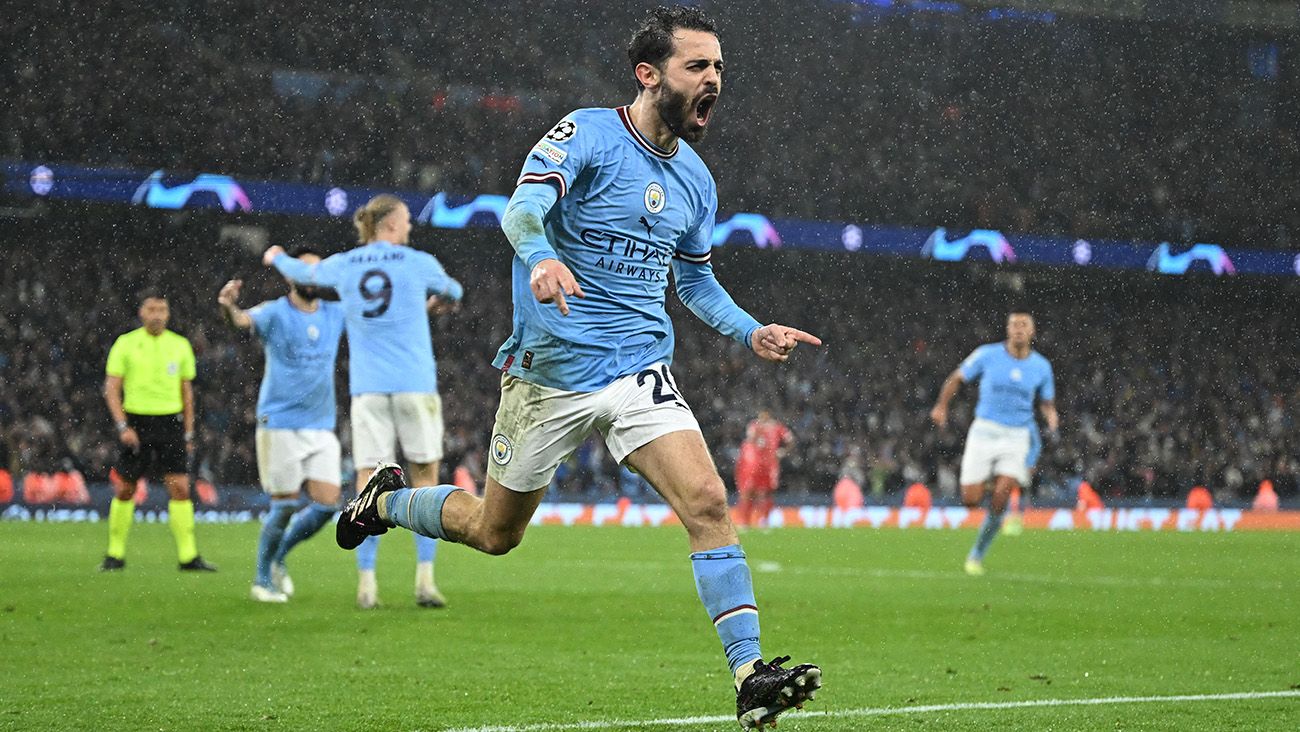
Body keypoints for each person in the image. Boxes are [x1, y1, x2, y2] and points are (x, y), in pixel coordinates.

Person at [334, 8, 822, 728]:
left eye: (719, 67)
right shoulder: (587, 133)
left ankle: (749, 675)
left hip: (638, 370)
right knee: (495, 533)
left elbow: (692, 281)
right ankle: (384, 500)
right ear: (649, 75)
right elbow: (520, 211)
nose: (714, 78)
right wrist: (542, 260)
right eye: (698, 66)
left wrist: (751, 332)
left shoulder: (696, 181)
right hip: (549, 373)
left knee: (708, 504)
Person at [262, 193, 463, 609]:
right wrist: (441, 301)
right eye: (405, 221)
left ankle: (367, 586)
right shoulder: (418, 262)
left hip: (368, 389)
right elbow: (454, 290)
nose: (409, 228)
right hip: (414, 385)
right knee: (425, 478)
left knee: (367, 485)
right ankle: (425, 581)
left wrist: (276, 256)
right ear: (389, 224)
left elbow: (302, 271)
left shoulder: (344, 263)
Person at [217, 248, 346, 603]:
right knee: (285, 505)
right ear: (290, 277)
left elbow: (376, 321)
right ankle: (261, 580)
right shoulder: (275, 312)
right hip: (281, 422)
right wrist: (228, 307)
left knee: (326, 505)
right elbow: (242, 321)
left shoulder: (335, 313)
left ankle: (278, 555)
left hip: (321, 425)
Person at [930, 311, 1058, 576]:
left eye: (1024, 325)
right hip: (984, 432)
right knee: (970, 500)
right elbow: (957, 377)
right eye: (1013, 325)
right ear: (1007, 330)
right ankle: (992, 482)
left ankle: (976, 554)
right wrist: (942, 406)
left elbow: (1046, 401)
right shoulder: (987, 354)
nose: (1018, 329)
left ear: (1033, 332)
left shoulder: (1042, 367)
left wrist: (1051, 415)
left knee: (1002, 495)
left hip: (1017, 435)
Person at [100, 289, 216, 572]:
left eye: (162, 310)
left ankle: (188, 556)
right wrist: (123, 426)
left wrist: (188, 433)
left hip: (169, 423)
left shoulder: (179, 345)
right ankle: (114, 554)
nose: (157, 316)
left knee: (180, 488)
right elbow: (111, 389)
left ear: (168, 313)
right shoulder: (126, 344)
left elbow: (187, 393)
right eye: (151, 310)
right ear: (141, 313)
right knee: (126, 488)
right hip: (137, 423)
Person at [734, 410, 793, 528]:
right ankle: (747, 521)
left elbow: (790, 440)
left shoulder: (775, 427)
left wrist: (782, 452)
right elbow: (790, 440)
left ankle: (761, 521)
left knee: (762, 493)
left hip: (765, 465)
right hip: (756, 464)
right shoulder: (758, 426)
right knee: (752, 493)